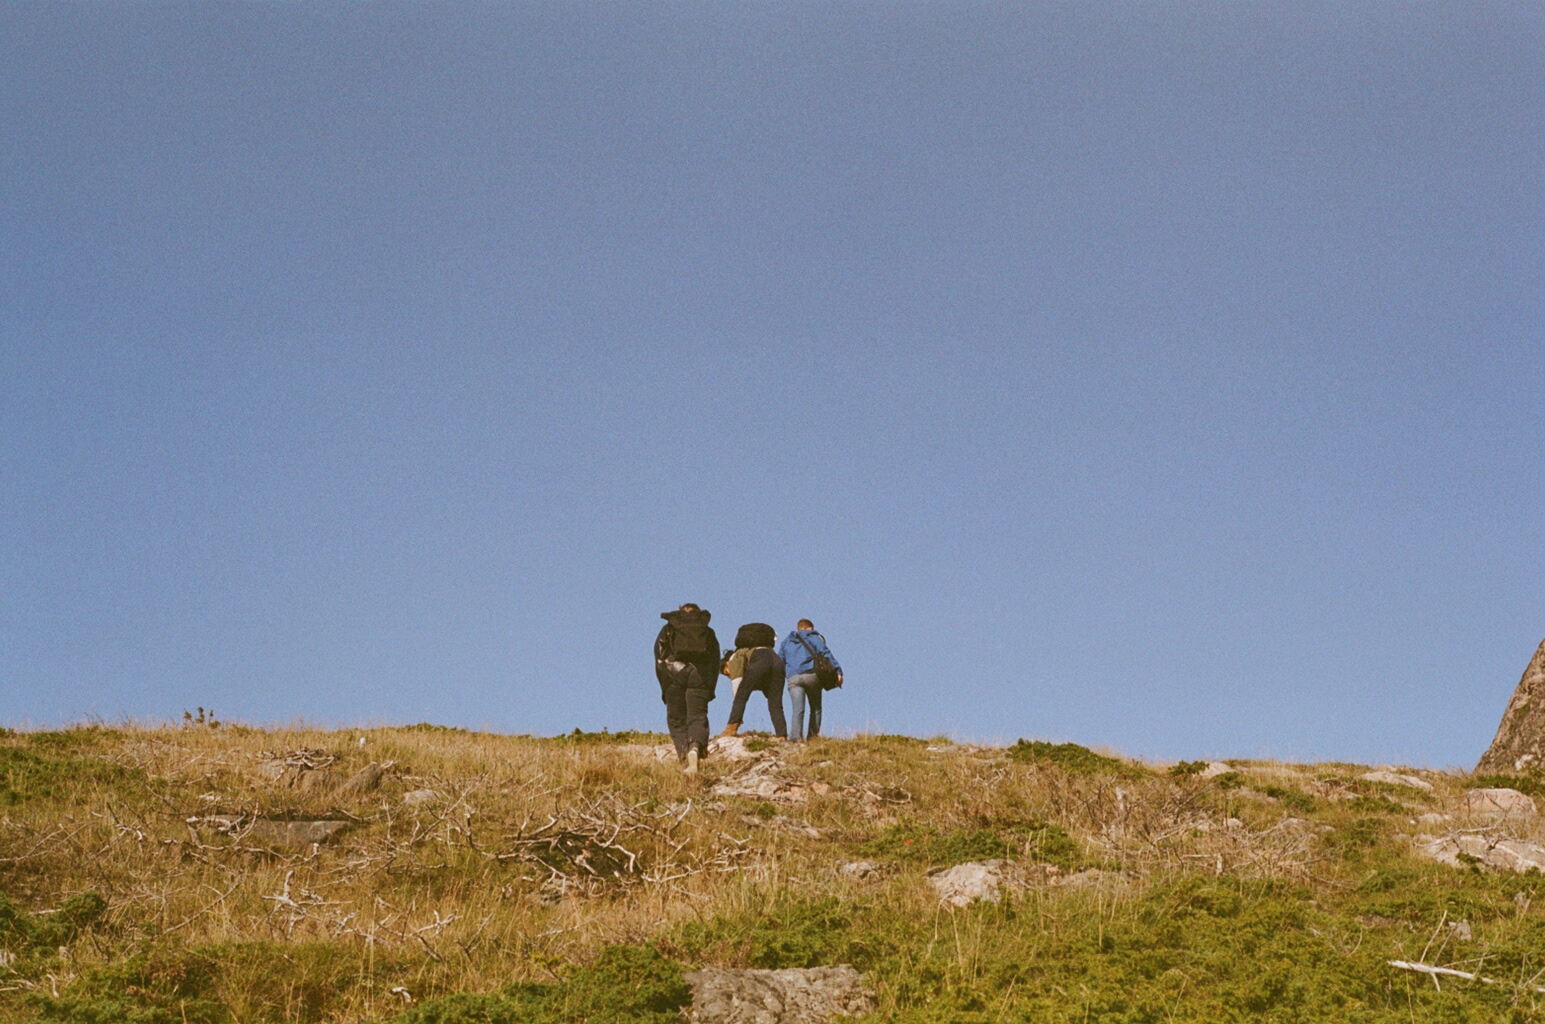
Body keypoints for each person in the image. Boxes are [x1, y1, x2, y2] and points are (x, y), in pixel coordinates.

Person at [654, 603, 720, 775]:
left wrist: (666, 686)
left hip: (674, 674)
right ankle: (695, 749)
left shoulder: (669, 628)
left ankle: (684, 757)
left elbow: (660, 657)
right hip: (700, 675)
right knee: (697, 716)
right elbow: (715, 660)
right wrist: (709, 688)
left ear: (680, 611)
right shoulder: (707, 630)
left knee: (677, 720)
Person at [718, 622, 787, 740]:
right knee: (775, 703)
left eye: (726, 672)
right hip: (777, 661)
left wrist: (737, 709)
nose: (728, 675)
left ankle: (731, 729)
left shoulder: (734, 658)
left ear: (726, 663)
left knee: (741, 695)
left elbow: (737, 687)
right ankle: (781, 735)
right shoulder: (750, 652)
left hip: (760, 661)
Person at [778, 619, 841, 743]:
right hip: (811, 676)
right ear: (810, 628)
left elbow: (780, 661)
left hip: (793, 678)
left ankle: (796, 739)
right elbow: (826, 653)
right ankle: (812, 739)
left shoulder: (786, 642)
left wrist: (787, 675)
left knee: (798, 709)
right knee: (816, 708)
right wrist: (838, 671)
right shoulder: (813, 637)